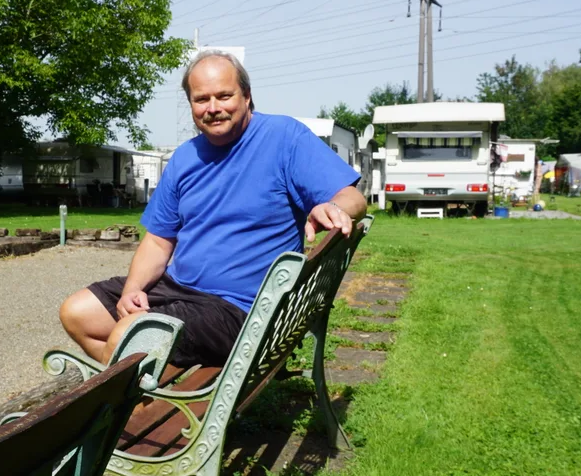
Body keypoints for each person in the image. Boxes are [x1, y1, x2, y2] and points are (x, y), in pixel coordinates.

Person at [58, 51, 367, 368]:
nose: (213, 108)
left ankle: (136, 409)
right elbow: (158, 240)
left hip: (242, 310)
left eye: (224, 96)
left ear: (247, 97)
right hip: (179, 290)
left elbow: (353, 198)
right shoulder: (184, 158)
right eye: (201, 99)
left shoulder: (284, 138)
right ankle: (154, 398)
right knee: (77, 312)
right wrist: (132, 290)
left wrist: (331, 207)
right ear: (191, 104)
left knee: (131, 334)